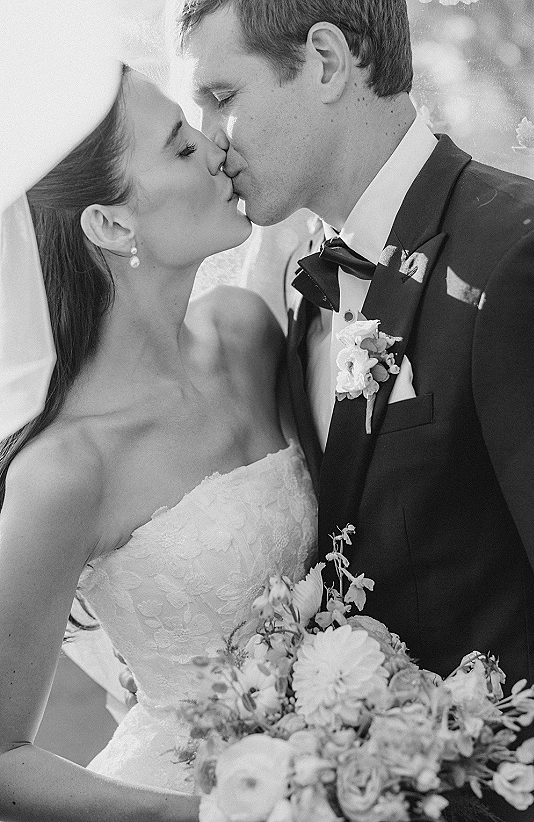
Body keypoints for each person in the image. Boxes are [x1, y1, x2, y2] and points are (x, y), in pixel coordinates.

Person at [177, 0, 534, 820]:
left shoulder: (523, 260)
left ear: (326, 60)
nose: (209, 140)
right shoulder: (297, 283)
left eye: (220, 95)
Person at [0, 66, 317, 820]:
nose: (215, 148)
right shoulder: (67, 468)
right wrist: (212, 815)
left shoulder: (246, 333)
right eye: (179, 147)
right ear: (111, 224)